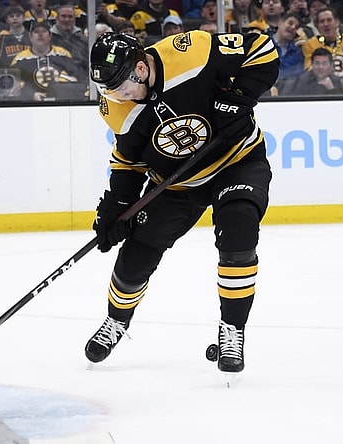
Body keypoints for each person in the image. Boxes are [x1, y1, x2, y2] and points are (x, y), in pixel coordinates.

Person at [85, 31, 279, 375]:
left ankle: (232, 329)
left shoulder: (191, 52)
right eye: (108, 91)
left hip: (237, 160)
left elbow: (262, 49)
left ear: (140, 69)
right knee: (136, 256)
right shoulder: (115, 107)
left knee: (239, 229)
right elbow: (129, 160)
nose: (117, 97)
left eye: (121, 88)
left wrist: (239, 97)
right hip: (176, 184)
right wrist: (118, 205)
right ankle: (116, 321)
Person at [10, 21, 86, 101]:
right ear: (30, 37)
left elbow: (78, 76)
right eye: (36, 32)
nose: (40, 34)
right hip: (32, 104)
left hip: (62, 102)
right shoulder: (20, 59)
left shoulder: (63, 54)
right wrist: (31, 95)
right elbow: (11, 85)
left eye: (44, 31)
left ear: (50, 36)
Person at [301, 7, 343, 84]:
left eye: (329, 20)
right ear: (317, 26)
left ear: (337, 22)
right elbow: (310, 70)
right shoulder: (310, 44)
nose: (326, 24)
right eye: (322, 21)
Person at [50, 3, 89, 71]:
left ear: (74, 19)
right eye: (63, 16)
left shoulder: (82, 39)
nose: (67, 20)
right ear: (57, 18)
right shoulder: (48, 38)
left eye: (70, 17)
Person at [0, 4, 30, 69]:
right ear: (7, 20)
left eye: (18, 16)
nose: (15, 18)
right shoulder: (3, 37)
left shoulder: (31, 36)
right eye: (11, 16)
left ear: (24, 18)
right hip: (9, 72)